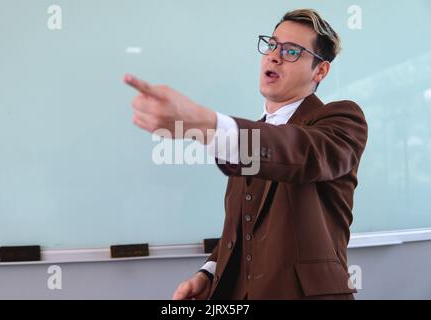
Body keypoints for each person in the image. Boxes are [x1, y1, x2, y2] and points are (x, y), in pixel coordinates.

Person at [124, 8, 368, 300]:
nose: (274, 56)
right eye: (272, 45)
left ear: (320, 70)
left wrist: (206, 122)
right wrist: (209, 273)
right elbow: (241, 226)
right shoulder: (249, 135)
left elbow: (299, 150)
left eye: (292, 51)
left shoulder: (340, 120)